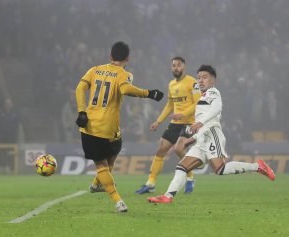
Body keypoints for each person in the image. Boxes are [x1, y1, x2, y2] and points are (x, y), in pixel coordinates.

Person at [147, 65, 275, 204]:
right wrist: (192, 138)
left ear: (213, 80)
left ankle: (258, 166)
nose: (200, 81)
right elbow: (203, 123)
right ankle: (168, 196)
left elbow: (217, 108)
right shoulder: (202, 98)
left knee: (220, 169)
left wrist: (200, 123)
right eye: (199, 78)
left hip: (213, 134)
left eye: (205, 77)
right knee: (182, 167)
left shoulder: (213, 92)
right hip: (202, 138)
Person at [75, 41, 164, 212]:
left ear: (110, 56)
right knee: (111, 155)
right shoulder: (124, 74)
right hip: (110, 128)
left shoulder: (94, 70)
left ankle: (98, 185)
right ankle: (117, 199)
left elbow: (80, 88)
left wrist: (81, 112)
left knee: (101, 164)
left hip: (89, 125)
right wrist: (149, 93)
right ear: (128, 58)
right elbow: (125, 89)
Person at [135, 57, 201, 194]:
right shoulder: (171, 84)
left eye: (179, 65)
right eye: (173, 65)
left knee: (178, 148)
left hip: (189, 122)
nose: (176, 68)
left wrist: (183, 114)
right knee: (161, 150)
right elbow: (170, 105)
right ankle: (151, 184)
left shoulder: (192, 82)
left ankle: (190, 178)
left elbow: (198, 102)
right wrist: (158, 121)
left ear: (184, 66)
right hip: (175, 123)